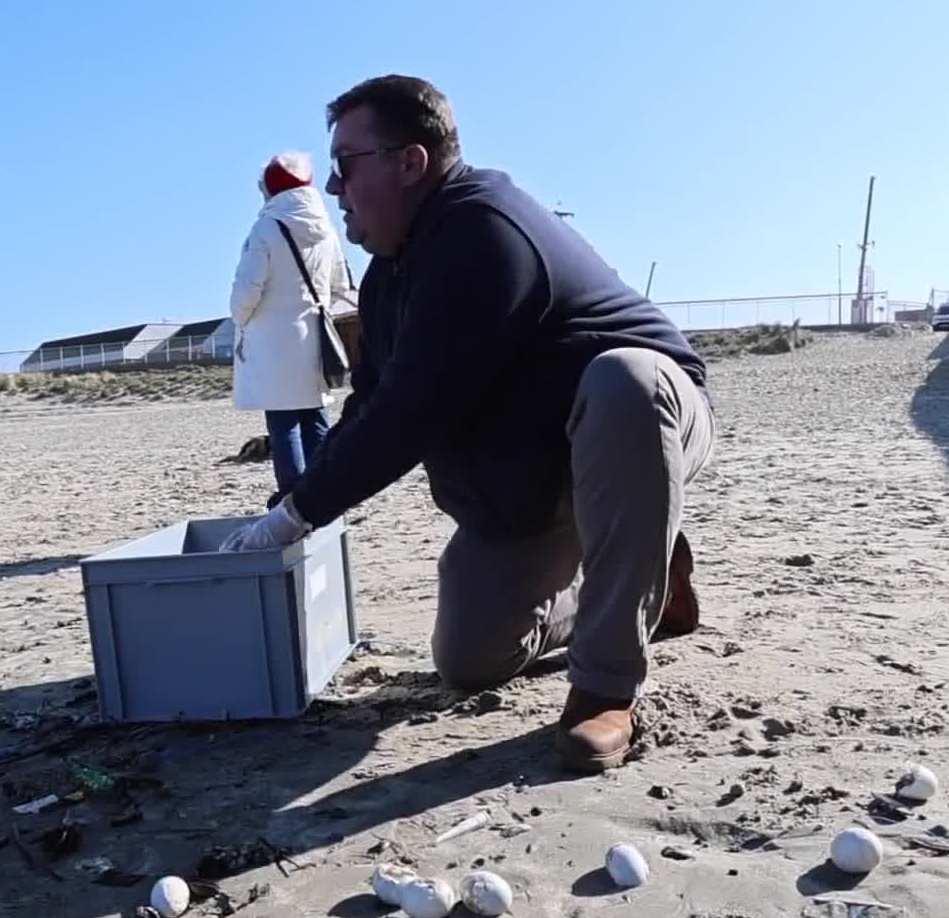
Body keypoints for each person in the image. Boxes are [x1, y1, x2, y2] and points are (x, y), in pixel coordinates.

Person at [220, 75, 716, 774]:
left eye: (346, 164)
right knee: (471, 658)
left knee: (624, 381)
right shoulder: (390, 278)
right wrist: (288, 506)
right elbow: (371, 407)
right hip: (542, 482)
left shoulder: (481, 226)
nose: (334, 188)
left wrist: (294, 518)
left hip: (642, 428)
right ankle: (646, 581)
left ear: (409, 162)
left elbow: (412, 412)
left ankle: (606, 686)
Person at [228, 151, 359, 503]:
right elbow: (340, 285)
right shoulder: (325, 228)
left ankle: (293, 496)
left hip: (274, 339)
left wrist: (241, 319)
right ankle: (324, 492)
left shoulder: (266, 227)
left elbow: (247, 289)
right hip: (315, 334)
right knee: (315, 415)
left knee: (283, 419)